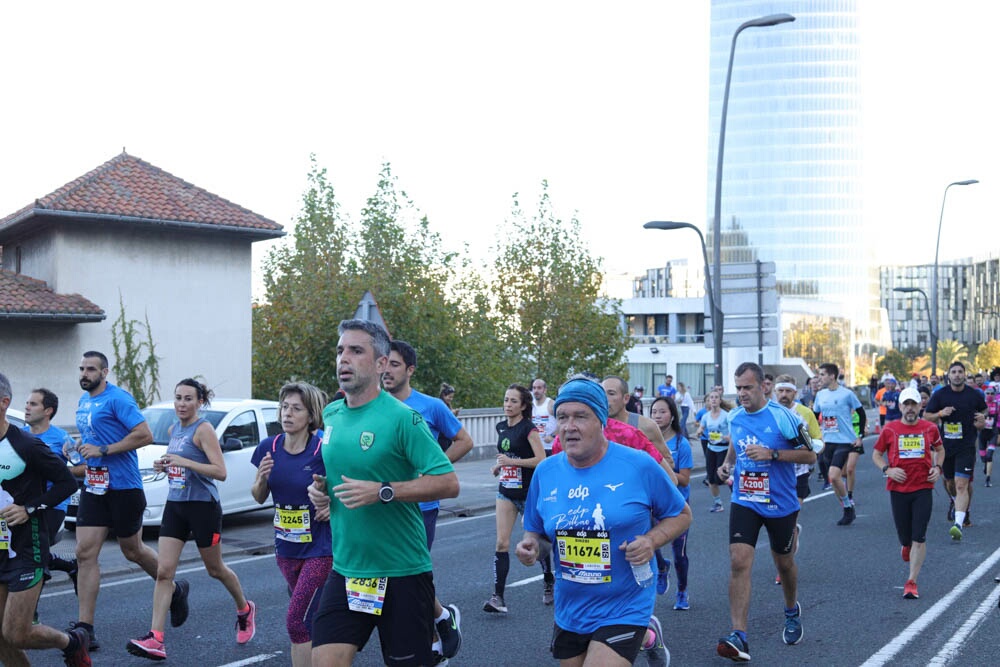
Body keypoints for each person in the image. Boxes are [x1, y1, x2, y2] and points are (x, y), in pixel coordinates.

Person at [306, 319, 459, 667]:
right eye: (340, 350)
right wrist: (322, 492)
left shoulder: (403, 418)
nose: (344, 359)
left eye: (356, 351)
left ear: (379, 364)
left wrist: (384, 491)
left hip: (402, 571)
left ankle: (443, 619)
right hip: (347, 569)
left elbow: (448, 482)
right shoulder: (331, 414)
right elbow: (337, 475)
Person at [516, 377, 691, 667]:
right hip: (571, 608)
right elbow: (536, 531)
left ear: (601, 421)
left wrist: (651, 541)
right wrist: (531, 546)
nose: (569, 426)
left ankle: (644, 629)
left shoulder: (638, 464)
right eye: (562, 417)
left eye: (580, 417)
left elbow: (681, 514)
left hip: (625, 604)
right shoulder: (546, 472)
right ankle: (650, 637)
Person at [128, 379, 255, 659]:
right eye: (178, 398)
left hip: (203, 507)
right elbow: (178, 462)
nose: (182, 404)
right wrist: (165, 463)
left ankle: (245, 608)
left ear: (199, 402)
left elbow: (220, 472)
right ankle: (156, 639)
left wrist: (184, 462)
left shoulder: (204, 429)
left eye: (188, 399)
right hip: (176, 505)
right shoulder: (175, 429)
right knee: (164, 571)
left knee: (215, 569)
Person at [70, 351, 188, 650]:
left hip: (123, 487)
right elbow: (93, 439)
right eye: (82, 368)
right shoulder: (84, 401)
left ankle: (173, 590)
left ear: (104, 372)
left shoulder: (118, 398)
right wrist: (80, 448)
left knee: (132, 550)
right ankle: (85, 629)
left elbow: (145, 434)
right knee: (85, 553)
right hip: (95, 487)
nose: (85, 373)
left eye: (91, 369)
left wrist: (104, 449)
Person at [716, 362, 816, 662]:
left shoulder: (785, 418)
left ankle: (790, 610)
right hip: (745, 498)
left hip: (780, 502)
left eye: (748, 387)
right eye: (739, 388)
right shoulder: (735, 416)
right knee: (738, 559)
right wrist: (728, 464)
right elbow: (736, 442)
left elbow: (810, 455)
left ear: (764, 386)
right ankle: (739, 636)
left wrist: (773, 454)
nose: (743, 393)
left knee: (784, 564)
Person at [382, 340, 472, 659]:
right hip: (382, 506)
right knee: (398, 575)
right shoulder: (371, 405)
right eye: (384, 363)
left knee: (413, 574)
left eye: (394, 364)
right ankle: (440, 619)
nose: (387, 370)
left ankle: (428, 640)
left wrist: (435, 471)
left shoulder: (430, 406)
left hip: (421, 508)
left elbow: (464, 440)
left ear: (410, 370)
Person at [0, 372, 90, 666]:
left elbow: (66, 482)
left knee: (16, 633)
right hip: (0, 546)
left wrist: (29, 508)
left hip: (27, 548)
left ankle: (72, 641)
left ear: (4, 403)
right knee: (2, 638)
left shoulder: (25, 445)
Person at [251, 381, 332, 667]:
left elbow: (344, 490)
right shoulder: (268, 448)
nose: (287, 413)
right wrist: (261, 478)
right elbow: (259, 496)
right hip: (286, 548)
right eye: (285, 407)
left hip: (320, 549)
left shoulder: (324, 450)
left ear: (311, 416)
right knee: (311, 620)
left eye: (296, 408)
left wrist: (330, 505)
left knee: (296, 622)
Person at [871, 387, 944, 600]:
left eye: (914, 404)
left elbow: (940, 450)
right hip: (898, 489)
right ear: (900, 406)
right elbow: (876, 454)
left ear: (920, 405)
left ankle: (911, 581)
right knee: (905, 536)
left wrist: (937, 468)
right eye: (906, 404)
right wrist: (887, 470)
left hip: (923, 487)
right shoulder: (890, 429)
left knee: (919, 536)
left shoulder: (930, 428)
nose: (910, 408)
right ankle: (906, 545)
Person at [484, 384, 548, 614]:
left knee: (537, 541)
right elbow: (508, 457)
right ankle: (498, 597)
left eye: (513, 401)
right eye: (505, 400)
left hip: (529, 493)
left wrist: (513, 463)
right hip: (507, 492)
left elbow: (541, 459)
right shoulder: (501, 427)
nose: (507, 405)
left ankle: (548, 577)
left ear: (523, 405)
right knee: (502, 542)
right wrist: (498, 467)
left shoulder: (529, 429)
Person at [22, 388, 82, 589]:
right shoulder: (20, 435)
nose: (27, 407)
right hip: (25, 503)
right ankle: (69, 565)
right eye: (27, 403)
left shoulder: (62, 438)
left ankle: (30, 612)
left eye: (33, 404)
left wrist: (57, 471)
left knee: (33, 555)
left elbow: (82, 467)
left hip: (52, 506)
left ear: (48, 411)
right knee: (22, 552)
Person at [923, 361, 986, 541]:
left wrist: (982, 419)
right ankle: (956, 502)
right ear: (948, 375)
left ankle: (959, 522)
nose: (957, 375)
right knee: (950, 483)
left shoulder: (973, 395)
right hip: (945, 447)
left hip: (966, 445)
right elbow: (927, 416)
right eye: (954, 372)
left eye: (960, 372)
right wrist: (940, 414)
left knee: (961, 484)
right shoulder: (940, 395)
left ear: (965, 375)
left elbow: (984, 411)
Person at [773, 375, 823, 584]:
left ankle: (784, 567)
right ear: (776, 392)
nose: (784, 395)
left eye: (788, 391)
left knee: (789, 521)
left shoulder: (805, 413)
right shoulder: (770, 413)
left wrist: (811, 453)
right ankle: (789, 545)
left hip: (799, 474)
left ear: (795, 393)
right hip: (776, 475)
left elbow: (818, 440)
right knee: (779, 524)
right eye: (780, 391)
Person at [650, 396, 693, 612]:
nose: (657, 416)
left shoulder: (680, 443)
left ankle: (682, 590)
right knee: (648, 541)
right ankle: (660, 566)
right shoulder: (645, 442)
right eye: (654, 412)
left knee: (679, 553)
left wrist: (666, 469)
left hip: (677, 506)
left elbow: (684, 479)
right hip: (654, 503)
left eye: (662, 412)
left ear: (673, 415)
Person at [813, 362, 866, 526]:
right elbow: (815, 416)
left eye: (822, 374)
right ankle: (847, 506)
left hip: (845, 440)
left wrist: (860, 436)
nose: (819, 378)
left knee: (835, 475)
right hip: (828, 441)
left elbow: (861, 413)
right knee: (833, 479)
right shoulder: (820, 395)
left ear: (832, 376)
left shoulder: (846, 394)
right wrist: (817, 435)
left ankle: (848, 508)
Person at [602, 377, 671, 466]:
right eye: (602, 394)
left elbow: (668, 462)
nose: (605, 399)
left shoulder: (646, 426)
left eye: (611, 393)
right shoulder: (595, 426)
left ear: (626, 398)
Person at [697, 390, 730, 513]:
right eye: (712, 397)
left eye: (716, 397)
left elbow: (732, 437)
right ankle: (718, 503)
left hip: (724, 449)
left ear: (720, 400)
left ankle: (734, 482)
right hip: (711, 448)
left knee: (720, 478)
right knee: (711, 479)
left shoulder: (726, 416)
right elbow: (701, 427)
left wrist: (722, 437)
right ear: (709, 401)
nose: (714, 399)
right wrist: (699, 431)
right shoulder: (706, 416)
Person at [979, 367, 1000, 487]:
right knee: (983, 458)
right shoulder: (981, 405)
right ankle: (985, 466)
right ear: (985, 394)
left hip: (993, 432)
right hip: (982, 433)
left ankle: (988, 478)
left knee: (989, 455)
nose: (990, 395)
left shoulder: (997, 405)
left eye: (992, 393)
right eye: (988, 393)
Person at [531, 378, 558, 455]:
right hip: (535, 448)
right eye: (534, 388)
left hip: (550, 447)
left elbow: (563, 423)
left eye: (539, 388)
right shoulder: (531, 406)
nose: (536, 391)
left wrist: (552, 436)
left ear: (545, 390)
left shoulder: (551, 404)